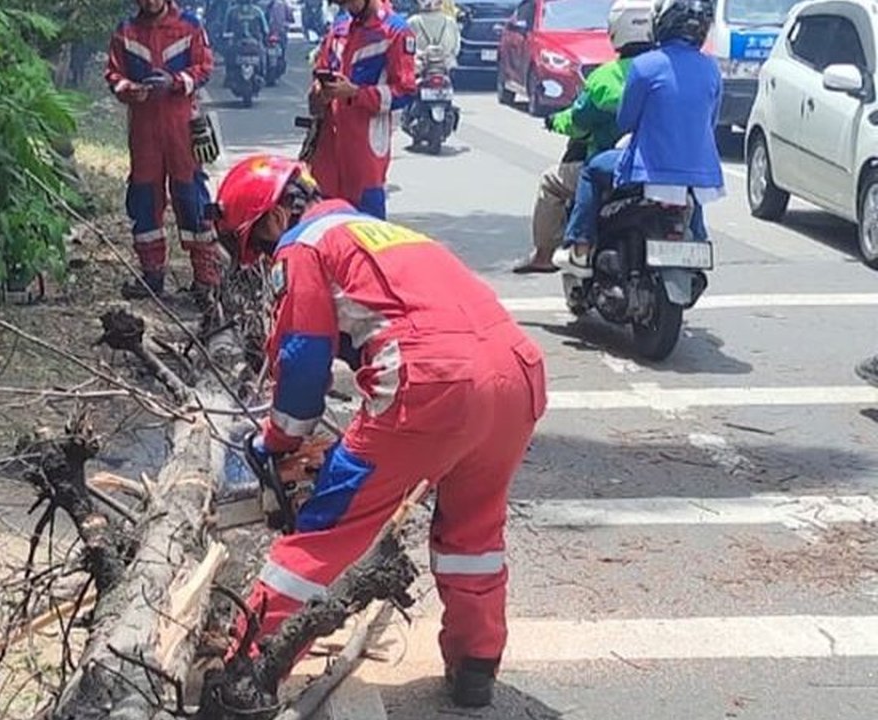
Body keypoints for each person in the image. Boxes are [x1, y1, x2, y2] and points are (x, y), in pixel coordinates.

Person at [211, 155, 547, 708]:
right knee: (474, 533)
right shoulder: (382, 232)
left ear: (272, 218)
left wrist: (274, 444)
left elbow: (303, 361)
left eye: (260, 244)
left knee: (324, 531)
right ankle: (475, 663)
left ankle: (245, 669)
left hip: (432, 384)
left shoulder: (303, 247)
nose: (267, 256)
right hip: (517, 374)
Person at [554, 0, 723, 274]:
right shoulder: (711, 69)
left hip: (646, 167)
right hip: (701, 173)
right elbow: (711, 121)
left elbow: (626, 120)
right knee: (691, 191)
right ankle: (699, 239)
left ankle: (581, 247)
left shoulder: (645, 66)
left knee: (591, 171)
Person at [513, 0, 654, 274]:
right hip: (663, 166)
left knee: (551, 182)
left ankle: (552, 253)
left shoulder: (605, 77)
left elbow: (578, 121)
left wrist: (554, 121)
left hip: (617, 166)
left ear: (615, 30)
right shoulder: (666, 70)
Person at [106, 0, 220, 299]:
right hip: (144, 130)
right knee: (143, 199)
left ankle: (205, 277)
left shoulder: (190, 26)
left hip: (181, 126)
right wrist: (129, 89)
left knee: (192, 197)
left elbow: (205, 67)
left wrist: (175, 81)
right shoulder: (126, 31)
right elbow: (113, 74)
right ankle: (152, 274)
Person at [308, 0, 417, 219]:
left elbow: (405, 92)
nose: (347, 7)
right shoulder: (339, 27)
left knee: (367, 230)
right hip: (328, 153)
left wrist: (356, 93)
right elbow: (321, 67)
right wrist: (319, 90)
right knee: (324, 230)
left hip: (365, 153)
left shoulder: (396, 32)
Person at [408, 0, 461, 74]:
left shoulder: (412, 22)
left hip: (421, 66)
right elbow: (456, 49)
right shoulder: (451, 22)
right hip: (446, 66)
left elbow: (407, 48)